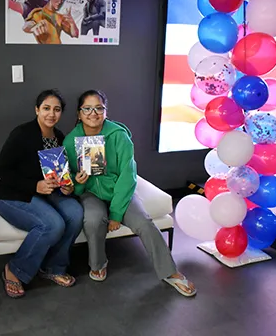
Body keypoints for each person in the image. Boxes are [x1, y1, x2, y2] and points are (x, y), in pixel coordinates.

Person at [63, 90, 197, 297]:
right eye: (87, 108)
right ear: (79, 113)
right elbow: (71, 179)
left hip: (119, 191)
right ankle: (98, 264)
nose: (93, 113)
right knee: (92, 219)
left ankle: (171, 272)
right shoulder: (71, 140)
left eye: (99, 108)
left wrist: (116, 214)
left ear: (105, 111)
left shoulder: (118, 135)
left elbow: (128, 175)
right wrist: (79, 184)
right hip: (90, 193)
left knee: (144, 223)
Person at [0, 90, 84, 298]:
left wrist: (66, 186)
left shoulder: (59, 136)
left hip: (46, 192)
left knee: (76, 213)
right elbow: (2, 171)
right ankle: (14, 270)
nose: (51, 114)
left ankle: (54, 267)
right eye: (46, 108)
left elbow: (58, 172)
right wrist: (35, 185)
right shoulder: (22, 134)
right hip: (11, 195)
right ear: (37, 109)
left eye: (57, 110)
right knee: (52, 224)